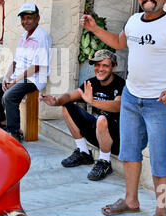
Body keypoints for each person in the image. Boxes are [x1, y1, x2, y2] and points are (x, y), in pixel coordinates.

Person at [81, 0, 166, 216]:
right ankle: (131, 200)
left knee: (159, 157)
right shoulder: (134, 20)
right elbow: (118, 42)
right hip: (131, 98)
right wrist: (94, 28)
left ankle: (161, 210)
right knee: (129, 151)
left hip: (159, 103)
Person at [39, 49, 125, 181]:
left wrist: (93, 101)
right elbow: (69, 96)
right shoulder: (91, 83)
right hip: (98, 133)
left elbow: (117, 106)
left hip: (117, 138)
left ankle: (104, 162)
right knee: (67, 106)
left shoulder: (121, 84)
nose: (100, 69)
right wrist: (56, 101)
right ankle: (84, 152)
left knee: (102, 119)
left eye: (105, 65)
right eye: (97, 65)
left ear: (114, 67)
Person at [0, 2, 52, 142]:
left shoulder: (42, 38)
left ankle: (15, 132)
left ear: (37, 19)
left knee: (9, 96)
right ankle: (2, 123)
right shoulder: (24, 37)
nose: (25, 22)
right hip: (19, 76)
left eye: (29, 18)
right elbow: (15, 62)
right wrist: (6, 77)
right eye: (23, 18)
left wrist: (15, 81)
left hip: (34, 78)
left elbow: (37, 67)